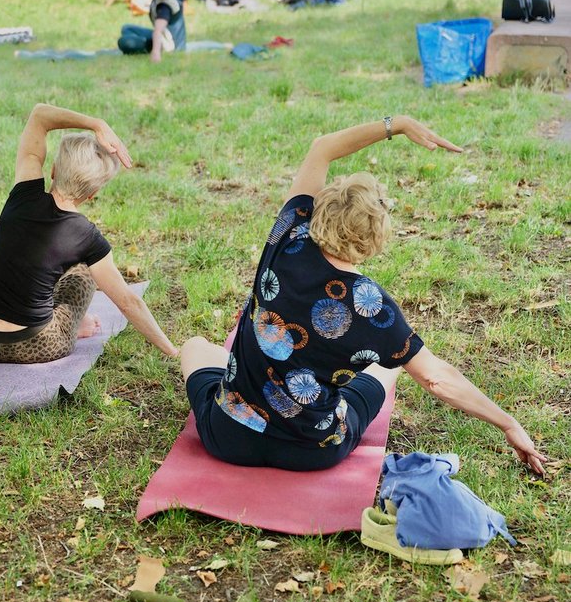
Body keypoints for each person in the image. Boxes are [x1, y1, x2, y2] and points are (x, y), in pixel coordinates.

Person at [179, 115, 547, 475]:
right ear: (376, 237)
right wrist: (508, 423)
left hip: (229, 438)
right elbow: (437, 378)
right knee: (391, 367)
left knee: (196, 345)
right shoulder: (375, 309)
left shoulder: (288, 232)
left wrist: (396, 124)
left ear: (320, 210)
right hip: (311, 451)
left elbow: (322, 148)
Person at [0, 103, 178, 364]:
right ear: (92, 194)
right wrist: (173, 351)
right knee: (83, 275)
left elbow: (39, 114)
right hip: (35, 345)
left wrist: (96, 123)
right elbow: (128, 302)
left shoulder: (24, 192)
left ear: (52, 170)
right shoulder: (89, 237)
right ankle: (73, 326)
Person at [118, 0, 186, 62]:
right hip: (163, 36)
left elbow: (158, 31)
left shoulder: (165, 5)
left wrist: (155, 52)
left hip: (168, 45)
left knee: (124, 42)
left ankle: (143, 42)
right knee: (126, 28)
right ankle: (142, 40)